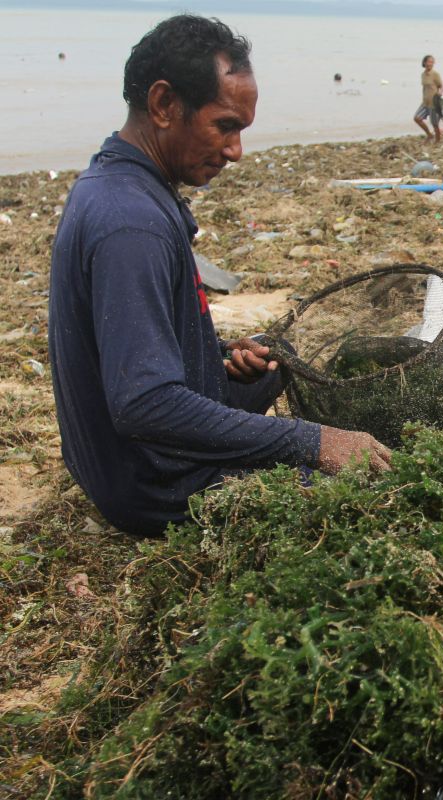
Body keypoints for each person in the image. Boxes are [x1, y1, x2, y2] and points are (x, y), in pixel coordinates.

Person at [48, 15, 390, 537]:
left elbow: (129, 338)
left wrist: (218, 354)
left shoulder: (117, 182)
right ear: (164, 105)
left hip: (122, 459)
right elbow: (143, 405)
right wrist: (314, 440)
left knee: (275, 355)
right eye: (225, 126)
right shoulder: (131, 224)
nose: (235, 152)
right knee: (379, 499)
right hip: (156, 484)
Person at [413, 54, 443, 142]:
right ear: (424, 62)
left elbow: (441, 87)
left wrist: (439, 94)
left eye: (432, 62)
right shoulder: (423, 74)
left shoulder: (435, 74)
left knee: (435, 124)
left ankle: (437, 141)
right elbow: (425, 88)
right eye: (429, 62)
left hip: (434, 103)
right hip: (425, 102)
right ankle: (429, 135)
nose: (430, 64)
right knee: (417, 118)